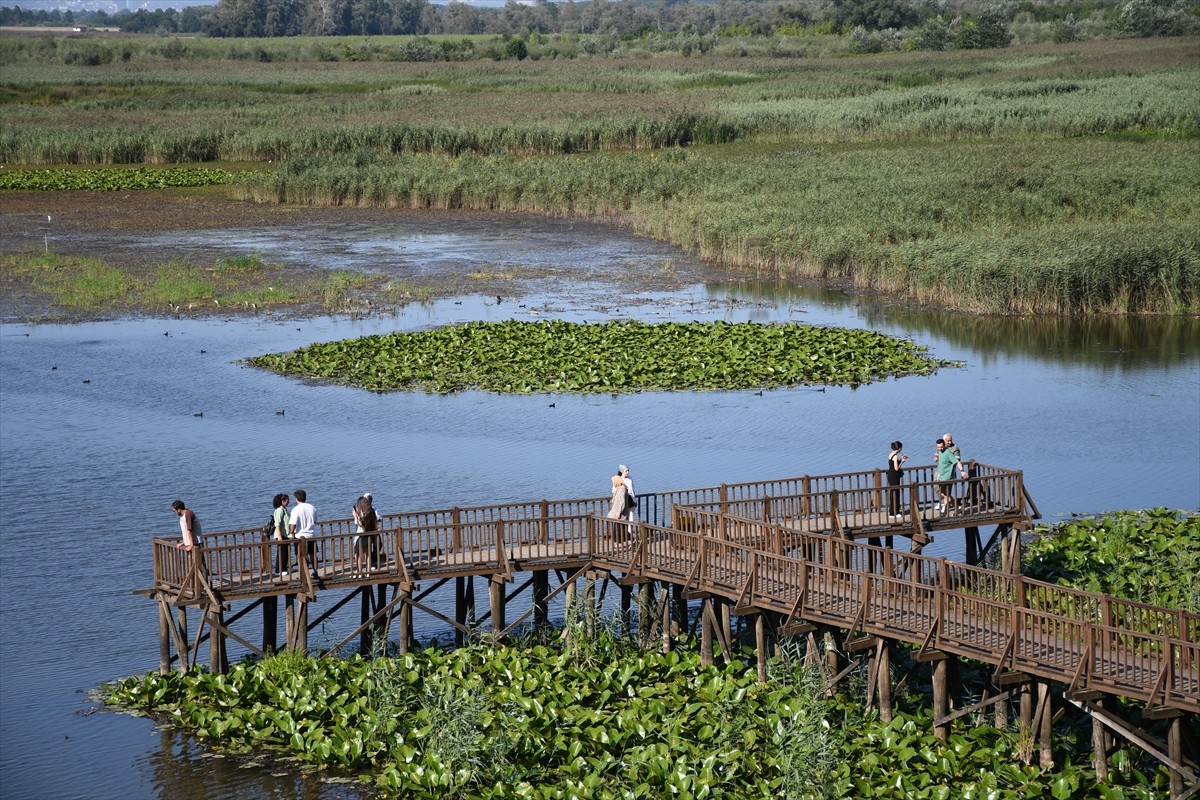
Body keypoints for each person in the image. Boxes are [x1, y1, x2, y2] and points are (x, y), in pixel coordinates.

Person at [289, 488, 318, 579]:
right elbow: (315, 521)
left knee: (300, 555)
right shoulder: (312, 507)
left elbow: (293, 524)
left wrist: (292, 533)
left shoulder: (295, 509)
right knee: (312, 554)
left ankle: (303, 574)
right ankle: (315, 571)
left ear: (296, 499)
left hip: (299, 536)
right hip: (311, 535)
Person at [351, 492, 378, 577]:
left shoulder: (361, 515)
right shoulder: (371, 512)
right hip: (369, 535)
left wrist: (355, 516)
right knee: (367, 554)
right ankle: (368, 571)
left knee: (358, 554)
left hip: (360, 536)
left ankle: (359, 572)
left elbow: (358, 523)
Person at [936, 439, 962, 515]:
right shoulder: (940, 452)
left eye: (941, 447)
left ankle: (945, 513)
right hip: (941, 477)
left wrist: (962, 471)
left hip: (948, 478)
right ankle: (957, 508)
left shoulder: (948, 453)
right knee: (944, 494)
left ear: (944, 445)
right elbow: (940, 464)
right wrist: (938, 474)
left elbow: (957, 462)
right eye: (938, 447)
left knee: (946, 495)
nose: (940, 449)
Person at [886, 441, 908, 519]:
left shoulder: (890, 454)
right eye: (901, 448)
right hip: (894, 476)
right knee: (895, 494)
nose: (901, 449)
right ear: (899, 448)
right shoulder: (895, 456)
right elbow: (896, 468)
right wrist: (902, 462)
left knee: (893, 493)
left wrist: (901, 459)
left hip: (891, 476)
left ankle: (893, 511)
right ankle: (894, 512)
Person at [271, 493, 291, 578]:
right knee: (282, 552)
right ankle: (280, 570)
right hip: (281, 534)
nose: (288, 502)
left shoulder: (284, 509)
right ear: (282, 501)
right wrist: (279, 536)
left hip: (285, 534)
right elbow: (277, 524)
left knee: (285, 552)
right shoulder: (280, 510)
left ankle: (283, 568)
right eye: (287, 500)